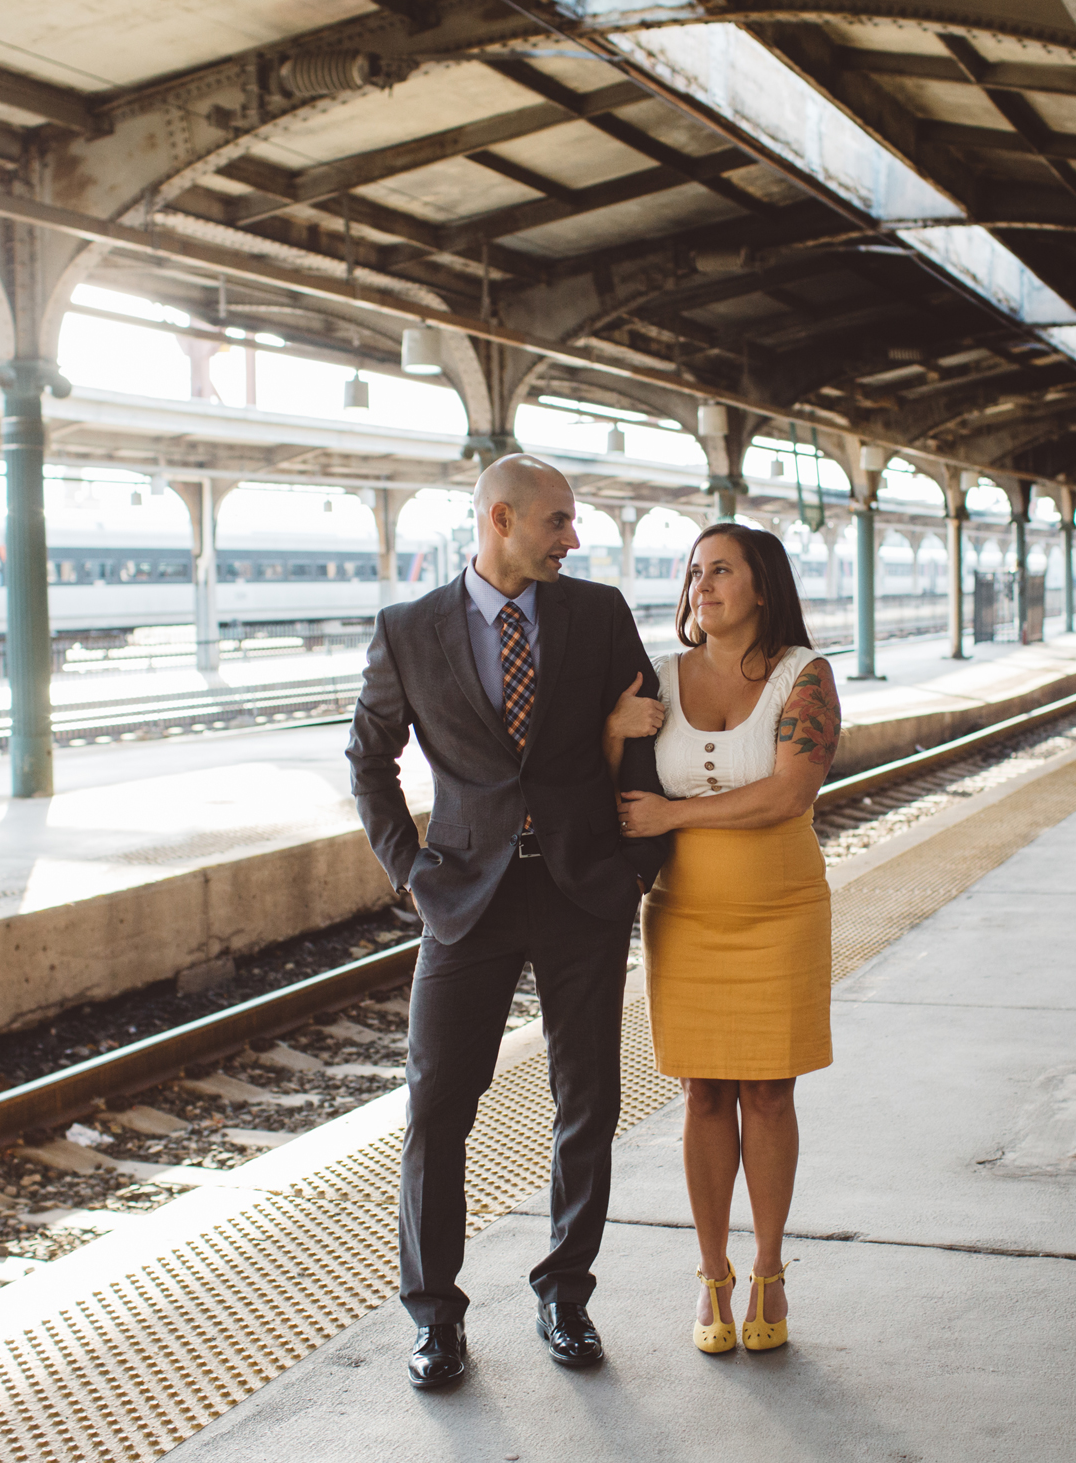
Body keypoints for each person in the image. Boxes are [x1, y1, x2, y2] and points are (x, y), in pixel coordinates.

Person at [345, 454, 670, 1390]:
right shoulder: (408, 631)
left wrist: (636, 862)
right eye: (558, 521)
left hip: (581, 892)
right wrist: (409, 870)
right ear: (500, 520)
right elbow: (369, 760)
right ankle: (435, 1316)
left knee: (588, 1101)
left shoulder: (597, 613)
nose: (574, 538)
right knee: (437, 1107)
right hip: (464, 898)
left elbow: (643, 731)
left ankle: (565, 1292)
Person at [613, 523, 839, 1355]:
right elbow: (610, 779)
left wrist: (674, 813)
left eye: (721, 570)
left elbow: (787, 793)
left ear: (762, 587)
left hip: (780, 913)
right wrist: (613, 728)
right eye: (693, 571)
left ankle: (770, 1269)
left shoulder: (803, 677)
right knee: (704, 1094)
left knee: (769, 1093)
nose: (701, 585)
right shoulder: (656, 680)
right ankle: (712, 1275)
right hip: (683, 915)